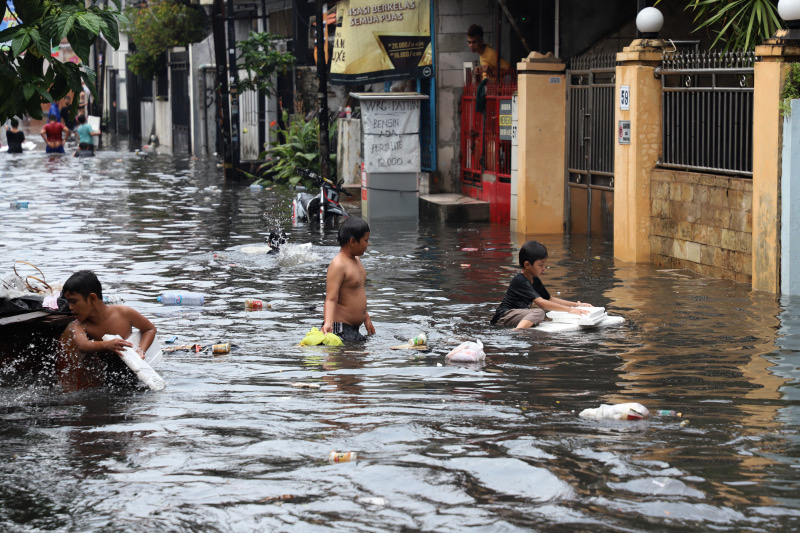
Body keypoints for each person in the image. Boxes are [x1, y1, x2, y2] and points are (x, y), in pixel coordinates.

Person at [58, 270, 157, 390]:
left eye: (74, 301)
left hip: (137, 371)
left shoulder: (123, 313)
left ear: (92, 298)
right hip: (109, 378)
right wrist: (107, 345)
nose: (70, 307)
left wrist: (141, 351)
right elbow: (83, 345)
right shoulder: (79, 325)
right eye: (68, 302)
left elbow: (149, 329)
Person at [490, 241, 591, 329]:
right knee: (539, 313)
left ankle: (519, 328)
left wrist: (576, 305)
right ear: (527, 265)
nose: (544, 268)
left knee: (538, 316)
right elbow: (542, 303)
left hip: (518, 316)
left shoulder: (535, 280)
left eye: (544, 264)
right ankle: (516, 332)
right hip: (503, 317)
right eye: (540, 265)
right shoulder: (520, 280)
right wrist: (569, 310)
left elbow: (549, 299)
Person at [321, 217, 375, 342]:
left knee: (360, 359)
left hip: (353, 328)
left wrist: (366, 317)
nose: (368, 244)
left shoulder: (357, 260)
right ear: (352, 242)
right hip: (340, 328)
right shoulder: (338, 264)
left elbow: (356, 293)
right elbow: (331, 298)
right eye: (366, 240)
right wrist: (328, 323)